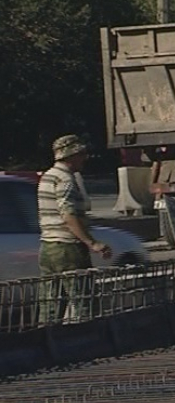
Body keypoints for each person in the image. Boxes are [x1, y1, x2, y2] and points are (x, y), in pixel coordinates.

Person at [37, 135, 112, 323]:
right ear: (71, 156)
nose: (85, 158)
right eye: (82, 154)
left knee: (50, 303)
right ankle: (87, 342)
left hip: (48, 246)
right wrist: (92, 243)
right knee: (83, 301)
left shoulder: (48, 176)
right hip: (68, 248)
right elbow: (68, 215)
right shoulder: (66, 180)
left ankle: (47, 339)